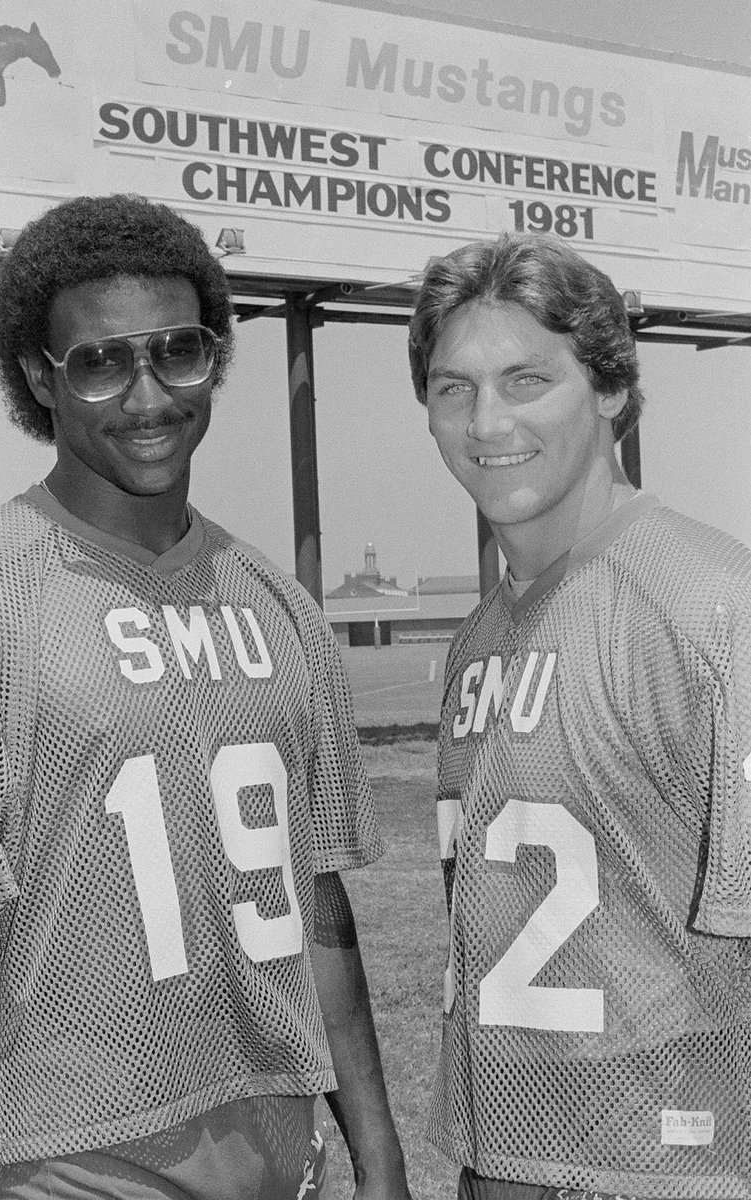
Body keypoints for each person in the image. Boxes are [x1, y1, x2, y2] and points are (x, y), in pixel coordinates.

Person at [0, 192, 411, 1200]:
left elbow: (315, 902)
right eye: (99, 361)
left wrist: (381, 1157)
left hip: (275, 1148)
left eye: (178, 351)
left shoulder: (276, 600)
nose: (147, 396)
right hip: (67, 1162)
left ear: (213, 356)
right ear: (37, 380)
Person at [407, 231, 751, 1199]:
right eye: (452, 389)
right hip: (503, 1162)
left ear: (607, 389)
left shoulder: (714, 608)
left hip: (670, 1174)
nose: (485, 422)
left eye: (525, 381)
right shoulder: (480, 640)